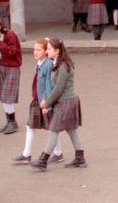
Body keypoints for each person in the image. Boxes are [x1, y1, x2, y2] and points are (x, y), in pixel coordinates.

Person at [30, 38, 87, 171]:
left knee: (53, 130)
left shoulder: (63, 66)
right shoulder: (56, 63)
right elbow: (51, 85)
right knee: (71, 130)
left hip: (66, 101)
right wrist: (45, 98)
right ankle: (80, 157)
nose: (47, 51)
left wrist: (47, 102)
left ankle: (43, 161)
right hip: (66, 100)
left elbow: (58, 88)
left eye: (49, 49)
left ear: (57, 51)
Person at [12, 38, 63, 164]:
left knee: (51, 128)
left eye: (38, 50)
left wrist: (47, 104)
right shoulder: (41, 63)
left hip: (43, 101)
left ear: (46, 51)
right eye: (34, 50)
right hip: (38, 99)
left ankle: (57, 153)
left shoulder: (48, 65)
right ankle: (28, 154)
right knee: (31, 126)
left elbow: (48, 86)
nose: (35, 52)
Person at [0, 18, 22, 134]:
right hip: (1, 66)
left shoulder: (10, 35)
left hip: (12, 67)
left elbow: (11, 52)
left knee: (7, 96)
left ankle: (13, 122)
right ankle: (10, 121)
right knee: (3, 97)